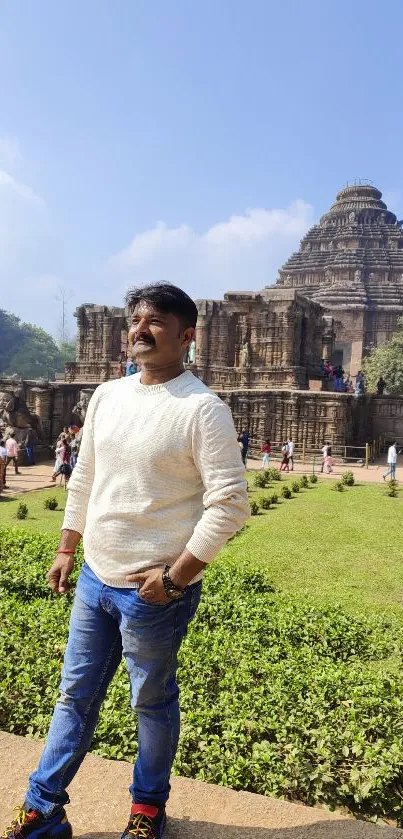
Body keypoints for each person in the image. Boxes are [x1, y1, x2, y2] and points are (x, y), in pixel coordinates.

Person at [5, 283, 250, 839]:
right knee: (75, 694)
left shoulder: (202, 409)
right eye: (134, 319)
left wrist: (175, 576)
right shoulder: (107, 396)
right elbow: (86, 477)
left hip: (152, 592)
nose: (140, 328)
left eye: (156, 321)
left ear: (187, 336)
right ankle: (43, 807)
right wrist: (68, 545)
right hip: (96, 576)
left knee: (151, 702)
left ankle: (147, 809)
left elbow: (231, 504)